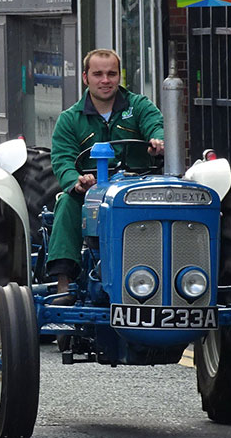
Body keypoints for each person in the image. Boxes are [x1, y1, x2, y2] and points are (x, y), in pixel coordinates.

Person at [47, 48, 164, 301]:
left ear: (119, 76)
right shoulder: (70, 119)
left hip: (137, 189)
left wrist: (158, 141)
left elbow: (155, 125)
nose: (105, 80)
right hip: (91, 192)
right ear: (85, 78)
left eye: (111, 74)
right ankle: (63, 281)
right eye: (98, 74)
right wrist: (75, 182)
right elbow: (63, 159)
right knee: (66, 203)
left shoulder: (139, 106)